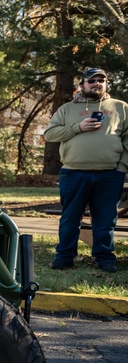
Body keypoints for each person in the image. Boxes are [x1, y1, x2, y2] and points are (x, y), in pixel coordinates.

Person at [43, 67, 128, 273]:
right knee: (71, 218)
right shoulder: (66, 109)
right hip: (74, 172)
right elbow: (50, 134)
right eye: (92, 81)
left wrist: (121, 167)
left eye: (101, 80)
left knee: (105, 220)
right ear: (82, 85)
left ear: (106, 84)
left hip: (110, 174)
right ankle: (64, 257)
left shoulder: (121, 107)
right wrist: (77, 128)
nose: (97, 83)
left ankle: (104, 258)